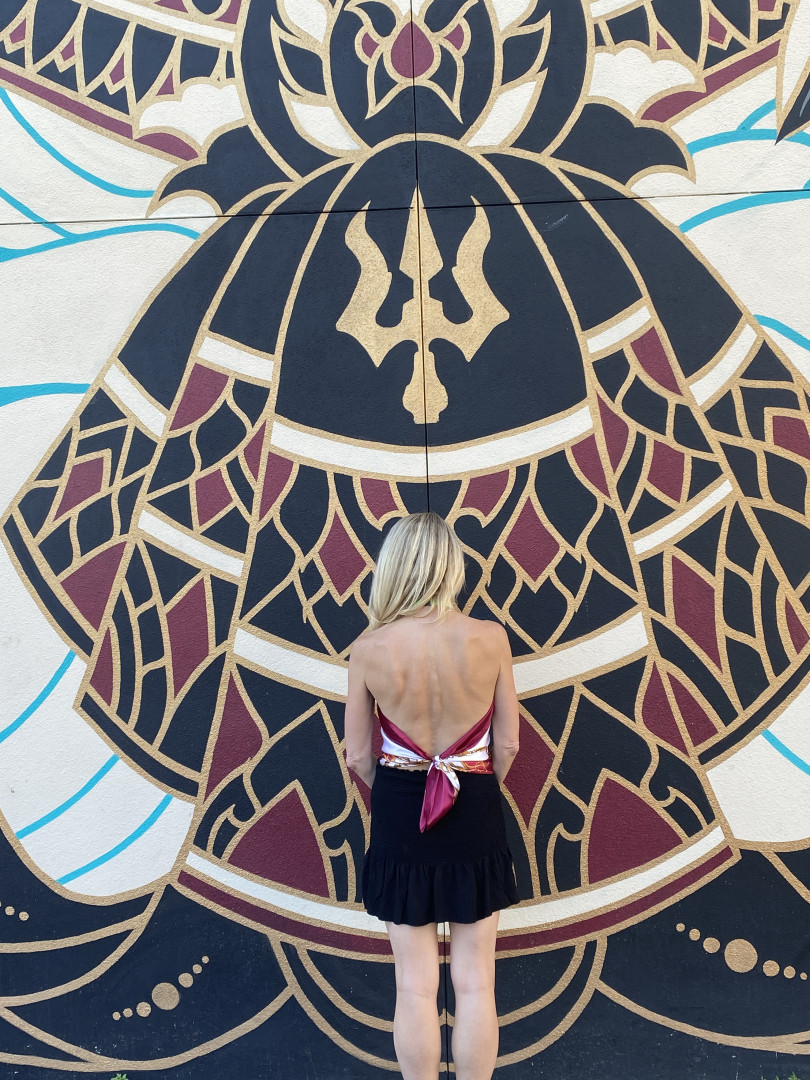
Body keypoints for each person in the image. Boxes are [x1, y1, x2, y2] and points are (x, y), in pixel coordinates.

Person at [345, 512, 520, 1080]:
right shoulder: (491, 639)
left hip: (400, 813)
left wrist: (399, 794)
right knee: (476, 981)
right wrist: (473, 790)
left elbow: (358, 756)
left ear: (393, 568)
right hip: (475, 806)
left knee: (414, 984)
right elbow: (508, 745)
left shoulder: (369, 649)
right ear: (451, 566)